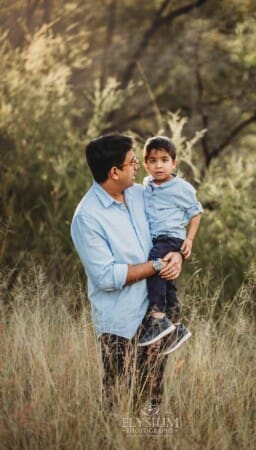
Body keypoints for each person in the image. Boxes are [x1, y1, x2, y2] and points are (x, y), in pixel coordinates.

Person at [70, 134, 183, 411]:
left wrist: (177, 254)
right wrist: (157, 266)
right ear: (114, 172)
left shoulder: (139, 194)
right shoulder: (87, 217)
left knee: (151, 395)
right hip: (120, 324)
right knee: (117, 398)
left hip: (155, 314)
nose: (138, 167)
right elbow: (107, 278)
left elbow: (169, 227)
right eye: (133, 163)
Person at [137, 136, 204, 354]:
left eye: (164, 160)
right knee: (167, 279)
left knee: (155, 265)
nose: (158, 165)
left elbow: (196, 213)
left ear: (174, 163)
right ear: (145, 164)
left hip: (170, 237)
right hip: (157, 238)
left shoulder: (181, 188)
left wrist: (189, 240)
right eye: (153, 160)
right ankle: (175, 327)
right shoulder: (147, 184)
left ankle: (157, 318)